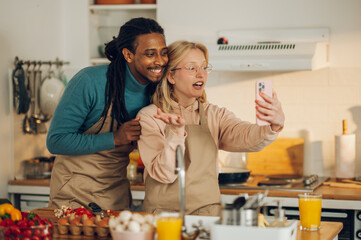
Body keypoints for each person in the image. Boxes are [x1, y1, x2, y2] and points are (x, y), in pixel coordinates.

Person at [137, 40, 285, 216]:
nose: (201, 74)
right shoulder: (150, 117)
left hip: (207, 216)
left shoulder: (215, 115)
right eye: (192, 68)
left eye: (204, 67)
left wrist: (274, 125)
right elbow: (165, 174)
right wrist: (176, 133)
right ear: (171, 76)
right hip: (163, 218)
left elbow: (246, 136)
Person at [46, 17, 168, 210]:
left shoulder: (156, 91)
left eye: (164, 53)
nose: (160, 61)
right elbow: (56, 141)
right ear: (128, 55)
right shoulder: (90, 82)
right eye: (150, 54)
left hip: (115, 192)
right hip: (73, 194)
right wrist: (115, 138)